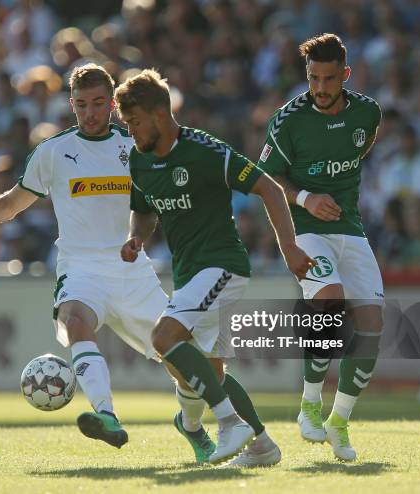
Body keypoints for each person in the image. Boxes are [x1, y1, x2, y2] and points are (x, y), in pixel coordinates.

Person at [0, 64, 219, 462]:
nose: (90, 113)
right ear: (71, 104)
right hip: (80, 269)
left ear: (114, 103)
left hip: (131, 269)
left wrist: (139, 236)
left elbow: (150, 208)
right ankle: (107, 416)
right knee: (75, 320)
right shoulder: (53, 152)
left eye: (99, 104)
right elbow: (11, 204)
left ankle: (190, 425)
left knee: (185, 365)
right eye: (82, 105)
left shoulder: (135, 146)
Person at [115, 69, 314, 465]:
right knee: (206, 372)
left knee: (164, 337)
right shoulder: (139, 160)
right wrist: (137, 236)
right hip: (190, 272)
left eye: (134, 122)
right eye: (126, 124)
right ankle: (261, 446)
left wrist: (289, 248)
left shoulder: (204, 151)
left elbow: (269, 188)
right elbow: (142, 210)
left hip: (223, 265)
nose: (131, 131)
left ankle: (228, 423)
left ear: (159, 113)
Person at [258, 33, 384, 462]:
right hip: (305, 230)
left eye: (330, 79)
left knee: (370, 325)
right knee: (329, 298)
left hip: (350, 229)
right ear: (306, 75)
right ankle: (310, 402)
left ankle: (339, 420)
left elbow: (359, 150)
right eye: (314, 78)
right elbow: (266, 178)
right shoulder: (287, 120)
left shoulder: (368, 113)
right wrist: (305, 197)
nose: (321, 88)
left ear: (345, 75)